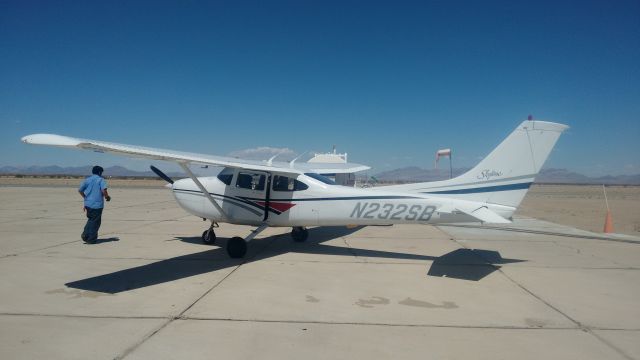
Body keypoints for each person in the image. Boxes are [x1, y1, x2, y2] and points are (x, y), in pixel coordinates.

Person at [79, 165, 111, 244]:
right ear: (100, 172)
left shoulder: (87, 180)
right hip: (97, 205)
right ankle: (91, 238)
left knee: (91, 219)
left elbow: (80, 190)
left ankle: (85, 235)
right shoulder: (100, 180)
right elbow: (104, 191)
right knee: (96, 222)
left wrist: (85, 198)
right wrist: (107, 197)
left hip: (88, 204)